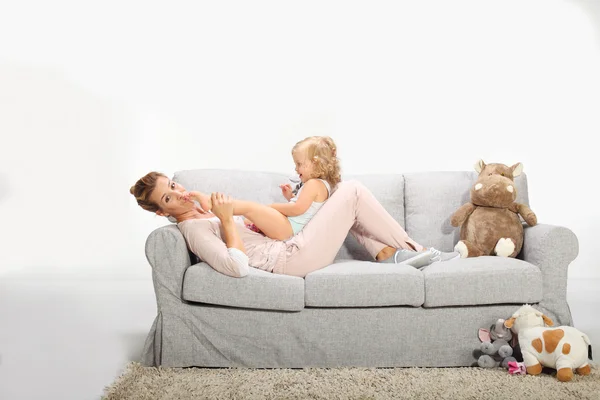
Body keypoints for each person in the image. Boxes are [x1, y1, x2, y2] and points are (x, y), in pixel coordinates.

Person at [130, 171, 459, 278]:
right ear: (162, 213)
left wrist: (220, 212)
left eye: (173, 186)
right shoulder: (195, 229)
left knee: (345, 205)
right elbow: (236, 267)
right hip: (288, 259)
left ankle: (394, 255)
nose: (179, 194)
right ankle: (418, 252)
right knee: (352, 191)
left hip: (288, 247)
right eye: (168, 199)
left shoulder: (204, 212)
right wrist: (228, 221)